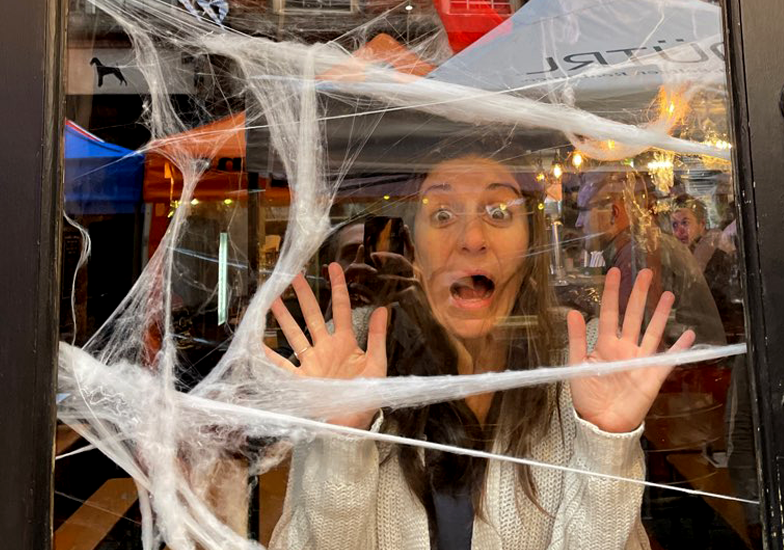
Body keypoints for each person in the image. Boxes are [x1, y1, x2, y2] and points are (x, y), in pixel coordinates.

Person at [265, 155, 695, 550]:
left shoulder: (579, 364)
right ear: (413, 246)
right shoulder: (352, 360)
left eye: (498, 212)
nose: (472, 239)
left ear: (531, 244)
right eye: (444, 214)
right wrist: (342, 442)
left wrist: (607, 442)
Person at [575, 172, 726, 346]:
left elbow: (636, 336)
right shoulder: (637, 246)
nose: (578, 222)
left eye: (583, 211)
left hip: (694, 363)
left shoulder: (638, 252)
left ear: (613, 213)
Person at [670, 194, 743, 343]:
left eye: (685, 223)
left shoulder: (716, 255)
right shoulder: (685, 255)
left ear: (702, 225)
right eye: (675, 225)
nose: (680, 231)